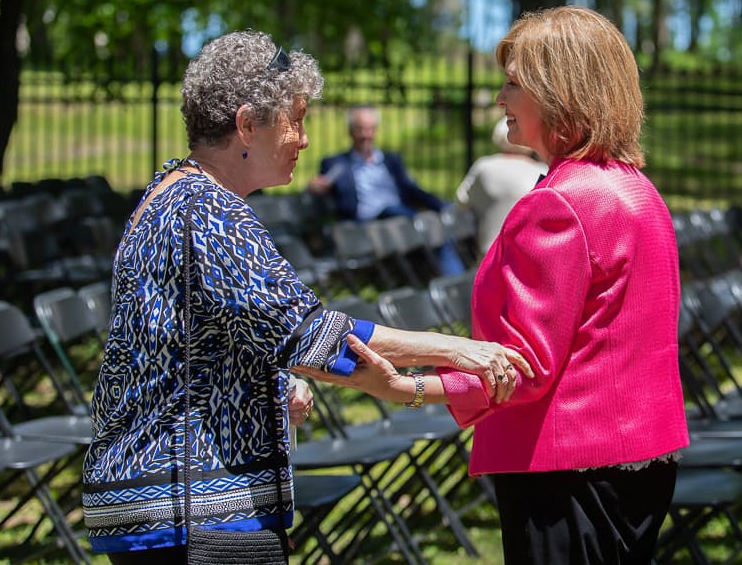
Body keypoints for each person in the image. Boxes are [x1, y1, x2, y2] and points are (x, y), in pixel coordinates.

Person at [80, 30, 530, 564]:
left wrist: (269, 388)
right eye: (296, 119)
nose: (304, 139)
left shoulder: (177, 193)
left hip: (175, 503)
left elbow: (217, 340)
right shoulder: (206, 210)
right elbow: (307, 334)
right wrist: (457, 350)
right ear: (247, 123)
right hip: (187, 509)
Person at [301, 6, 690, 565]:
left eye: (513, 83)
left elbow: (521, 368)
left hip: (566, 471)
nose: (500, 99)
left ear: (560, 91)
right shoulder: (636, 190)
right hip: (639, 462)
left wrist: (403, 388)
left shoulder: (558, 203)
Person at [307, 105, 466, 275]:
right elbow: (319, 186)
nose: (365, 135)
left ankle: (456, 283)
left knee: (437, 227)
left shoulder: (391, 160)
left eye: (369, 129)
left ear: (375, 131)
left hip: (400, 216)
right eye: (360, 129)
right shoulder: (337, 163)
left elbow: (412, 189)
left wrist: (441, 205)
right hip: (367, 223)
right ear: (350, 131)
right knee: (429, 227)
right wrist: (314, 187)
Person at [455, 116, 548, 253]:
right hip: (528, 255)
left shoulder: (483, 167)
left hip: (489, 254)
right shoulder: (542, 171)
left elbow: (461, 201)